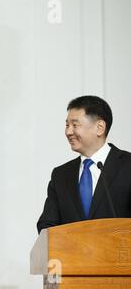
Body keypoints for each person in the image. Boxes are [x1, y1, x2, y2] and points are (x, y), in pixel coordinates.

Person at [37, 95, 131, 233]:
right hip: (71, 254)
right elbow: (47, 224)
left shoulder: (127, 165)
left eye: (75, 125)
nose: (68, 132)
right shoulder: (61, 175)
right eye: (67, 125)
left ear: (99, 127)